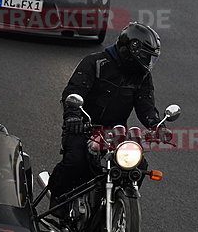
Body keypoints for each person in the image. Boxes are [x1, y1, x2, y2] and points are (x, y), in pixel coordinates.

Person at [48, 22, 163, 209]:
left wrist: (157, 126)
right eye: (145, 56)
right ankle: (57, 202)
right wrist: (73, 117)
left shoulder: (142, 76)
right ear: (131, 50)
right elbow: (74, 91)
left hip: (115, 133)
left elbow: (146, 107)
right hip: (83, 127)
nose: (148, 61)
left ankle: (118, 206)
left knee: (138, 167)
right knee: (75, 161)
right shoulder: (95, 63)